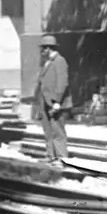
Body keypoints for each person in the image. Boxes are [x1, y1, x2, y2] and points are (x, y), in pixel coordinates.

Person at [34, 34, 72, 166]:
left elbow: (62, 82)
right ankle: (51, 155)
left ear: (48, 48)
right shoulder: (47, 62)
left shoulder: (59, 61)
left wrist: (57, 102)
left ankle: (62, 158)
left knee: (57, 130)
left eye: (43, 48)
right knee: (48, 129)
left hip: (55, 102)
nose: (41, 51)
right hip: (45, 101)